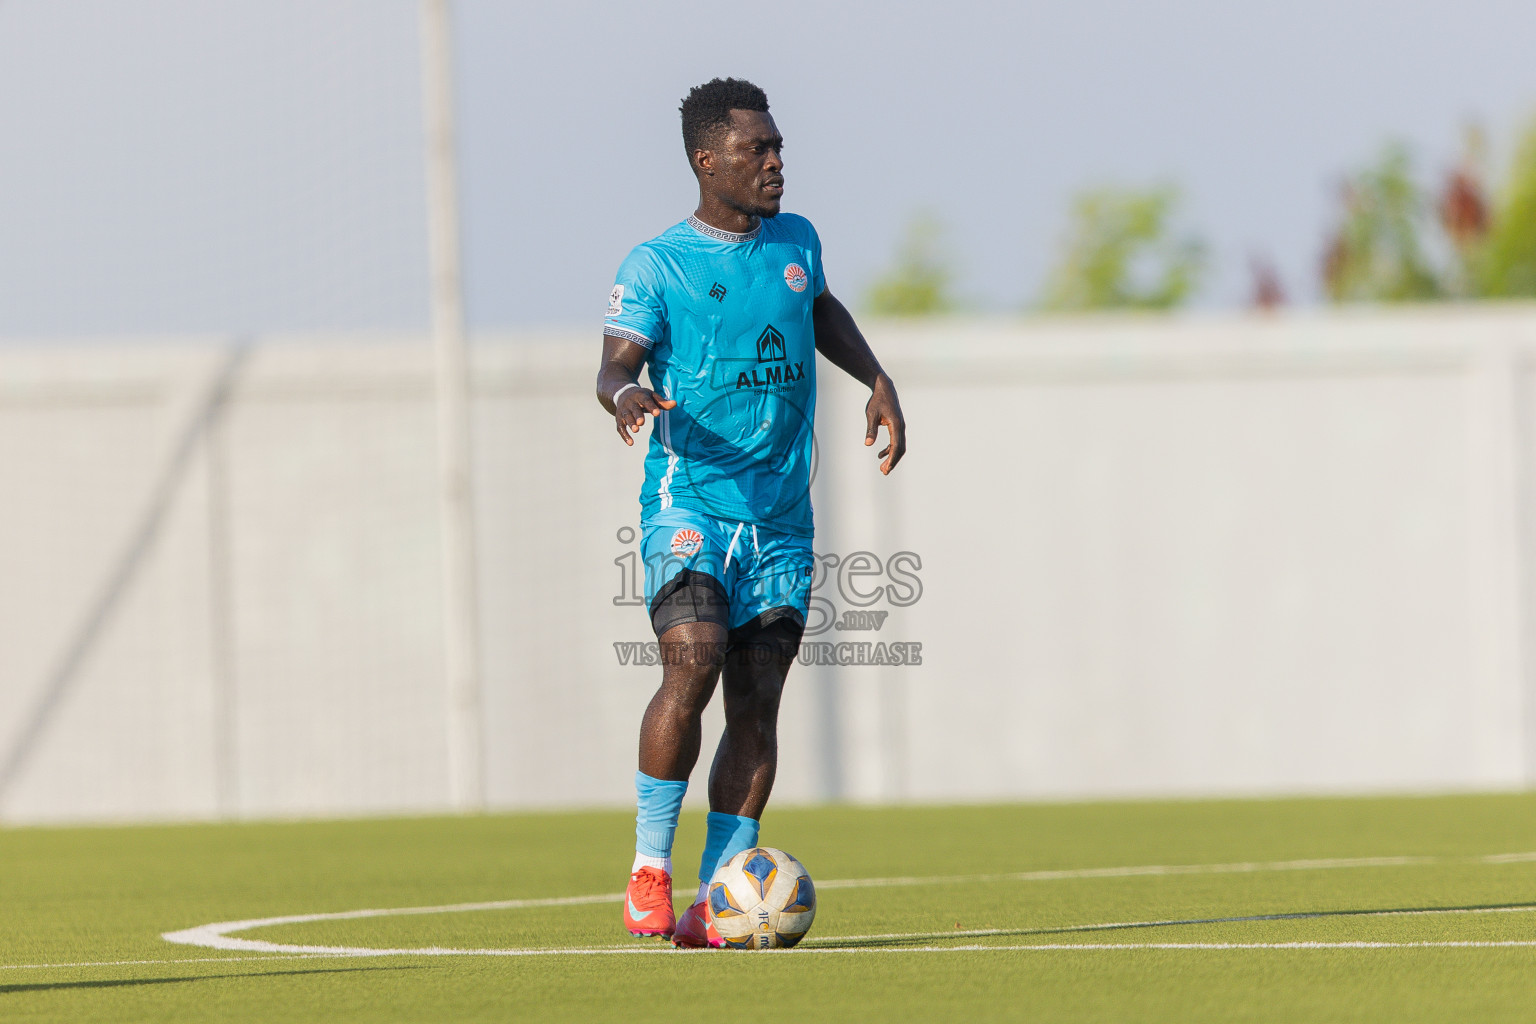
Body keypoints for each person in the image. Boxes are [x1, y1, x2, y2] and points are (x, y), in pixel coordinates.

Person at [596, 77, 906, 948]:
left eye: (777, 148)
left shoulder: (796, 240)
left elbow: (819, 309)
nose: (775, 163)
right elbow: (614, 364)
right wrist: (624, 395)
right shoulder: (657, 264)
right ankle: (649, 870)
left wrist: (876, 376)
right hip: (690, 502)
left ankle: (714, 900)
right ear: (708, 161)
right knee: (692, 660)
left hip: (780, 520)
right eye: (755, 150)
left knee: (757, 704)